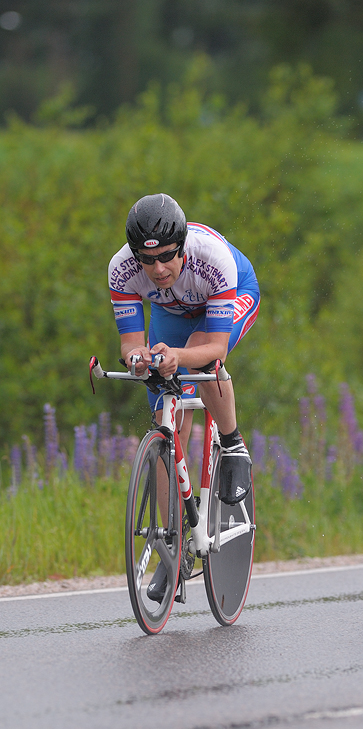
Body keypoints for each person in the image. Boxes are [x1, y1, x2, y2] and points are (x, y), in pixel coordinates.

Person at [108, 193, 260, 597]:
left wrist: (177, 356)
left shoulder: (212, 257)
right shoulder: (122, 271)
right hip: (172, 315)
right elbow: (131, 344)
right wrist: (139, 357)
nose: (158, 269)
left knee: (201, 363)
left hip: (229, 296)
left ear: (182, 246)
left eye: (168, 258)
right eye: (147, 259)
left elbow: (215, 349)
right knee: (167, 424)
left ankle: (233, 445)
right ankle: (170, 547)